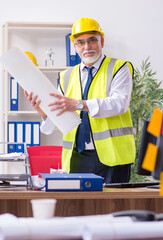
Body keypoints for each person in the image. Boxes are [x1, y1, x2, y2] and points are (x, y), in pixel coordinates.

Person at [25, 18, 135, 183]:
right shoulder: (65, 76)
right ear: (75, 46)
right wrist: (45, 114)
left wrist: (78, 104)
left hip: (114, 157)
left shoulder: (119, 68)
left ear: (101, 41)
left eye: (92, 40)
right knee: (79, 208)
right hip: (77, 158)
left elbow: (120, 104)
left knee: (113, 208)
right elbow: (61, 118)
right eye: (80, 42)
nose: (87, 47)